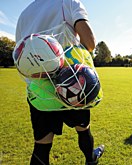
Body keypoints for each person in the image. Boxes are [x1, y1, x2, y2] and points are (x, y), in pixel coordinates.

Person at [15, 0, 104, 164]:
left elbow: (21, 57)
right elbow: (89, 43)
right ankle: (91, 159)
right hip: (71, 84)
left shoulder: (24, 14)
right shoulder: (70, 2)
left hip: (40, 91)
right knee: (83, 129)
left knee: (42, 144)